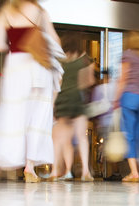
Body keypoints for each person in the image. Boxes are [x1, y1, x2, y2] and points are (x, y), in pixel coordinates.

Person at [0, 0, 62, 183]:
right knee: (37, 115)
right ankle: (30, 166)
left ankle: (10, 158)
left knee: (15, 115)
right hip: (38, 65)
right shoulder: (40, 11)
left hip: (16, 67)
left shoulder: (4, 12)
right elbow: (55, 39)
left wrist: (14, 44)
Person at [49, 33, 95, 182]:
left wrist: (53, 103)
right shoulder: (84, 59)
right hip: (78, 99)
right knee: (82, 137)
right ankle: (86, 172)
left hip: (63, 99)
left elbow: (58, 83)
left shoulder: (60, 60)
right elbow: (89, 81)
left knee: (60, 139)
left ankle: (55, 171)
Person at [113, 30, 139, 182]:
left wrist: (116, 99)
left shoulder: (127, 55)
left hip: (130, 97)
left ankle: (134, 172)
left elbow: (123, 79)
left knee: (129, 135)